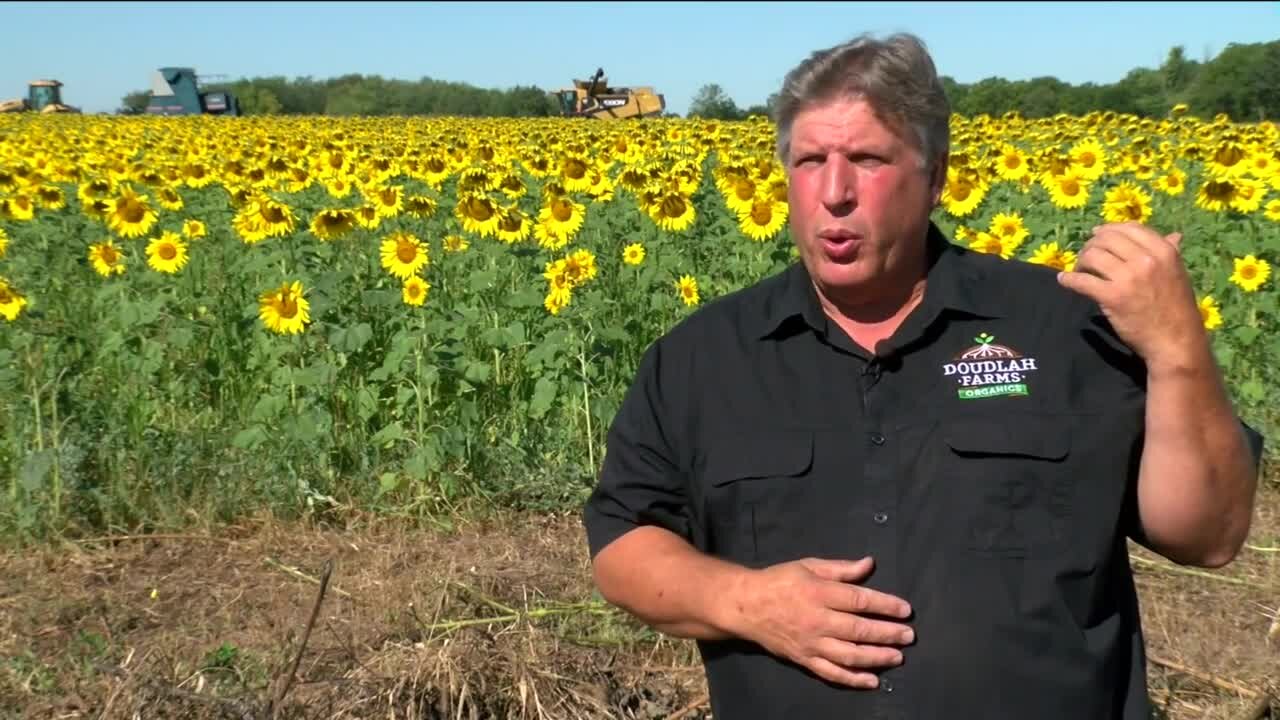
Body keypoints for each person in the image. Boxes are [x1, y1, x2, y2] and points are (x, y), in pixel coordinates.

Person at [581, 31, 1264, 720]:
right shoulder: (706, 358)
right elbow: (623, 545)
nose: (835, 193)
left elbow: (1208, 534)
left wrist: (1178, 348)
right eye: (810, 160)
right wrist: (747, 602)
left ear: (936, 177)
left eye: (868, 159)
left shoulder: (1063, 328)